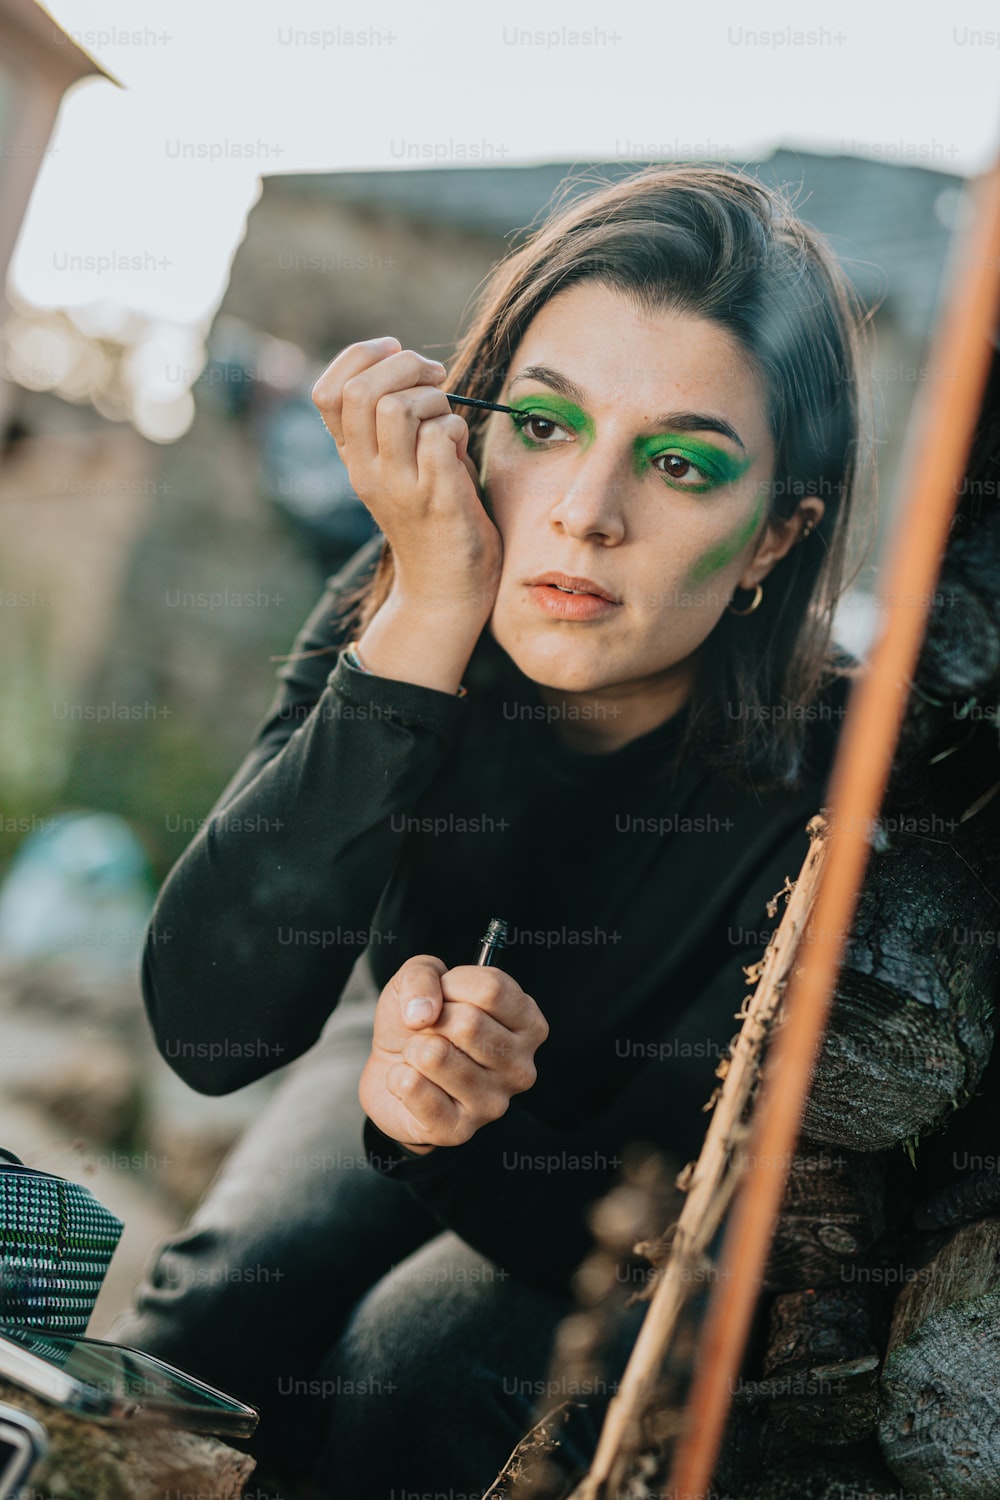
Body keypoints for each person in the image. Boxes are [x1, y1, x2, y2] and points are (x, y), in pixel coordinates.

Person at [109, 163, 872, 1496]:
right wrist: (426, 613)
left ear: (774, 539)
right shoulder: (406, 593)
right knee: (210, 1330)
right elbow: (210, 1021)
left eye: (682, 462)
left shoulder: (829, 777)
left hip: (642, 1183)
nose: (587, 510)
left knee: (409, 1378)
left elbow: (684, 1224)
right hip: (403, 1047)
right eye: (542, 424)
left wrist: (442, 1133)